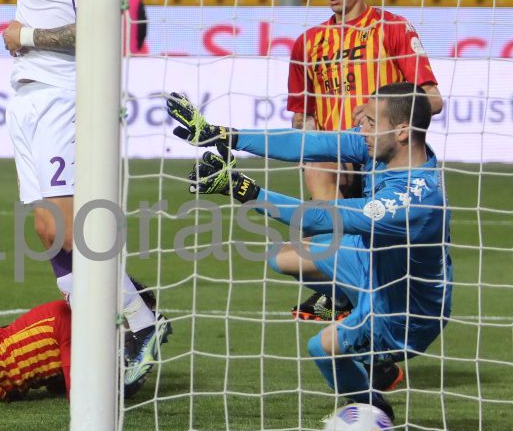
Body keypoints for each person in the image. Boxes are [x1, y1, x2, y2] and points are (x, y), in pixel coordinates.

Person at [169, 83, 453, 409]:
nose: (361, 128)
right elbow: (309, 143)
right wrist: (224, 135)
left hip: (403, 312)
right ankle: (346, 303)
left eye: (371, 122)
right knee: (285, 257)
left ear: (402, 130)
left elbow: (319, 218)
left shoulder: (410, 201)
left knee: (322, 347)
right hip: (373, 264)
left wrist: (243, 188)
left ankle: (372, 406)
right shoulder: (383, 148)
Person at [0, 0, 166, 388]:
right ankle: (115, 326)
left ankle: (139, 324)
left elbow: (99, 25)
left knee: (70, 226)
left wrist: (27, 35)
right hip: (28, 98)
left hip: (61, 95)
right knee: (49, 229)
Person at [285, 0, 445, 319]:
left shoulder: (392, 29)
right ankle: (342, 293)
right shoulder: (307, 44)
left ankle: (352, 296)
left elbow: (433, 100)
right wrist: (306, 128)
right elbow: (300, 113)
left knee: (391, 271)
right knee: (315, 165)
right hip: (336, 162)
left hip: (386, 164)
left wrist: (385, 115)